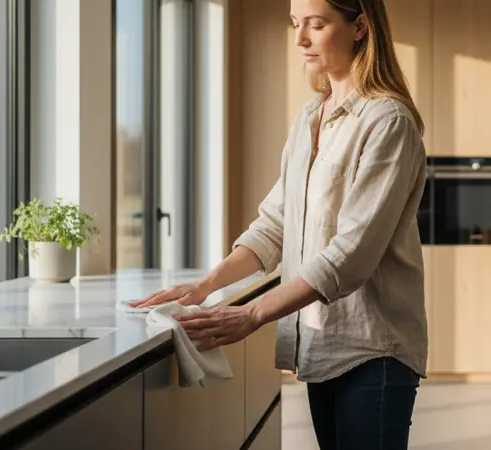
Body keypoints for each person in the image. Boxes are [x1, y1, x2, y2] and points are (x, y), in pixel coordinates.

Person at [129, 0, 428, 448]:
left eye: (316, 24)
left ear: (361, 27)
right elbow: (275, 224)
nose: (299, 40)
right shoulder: (312, 115)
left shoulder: (388, 123)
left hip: (373, 349)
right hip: (321, 344)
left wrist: (251, 314)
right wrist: (205, 286)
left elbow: (351, 255)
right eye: (295, 24)